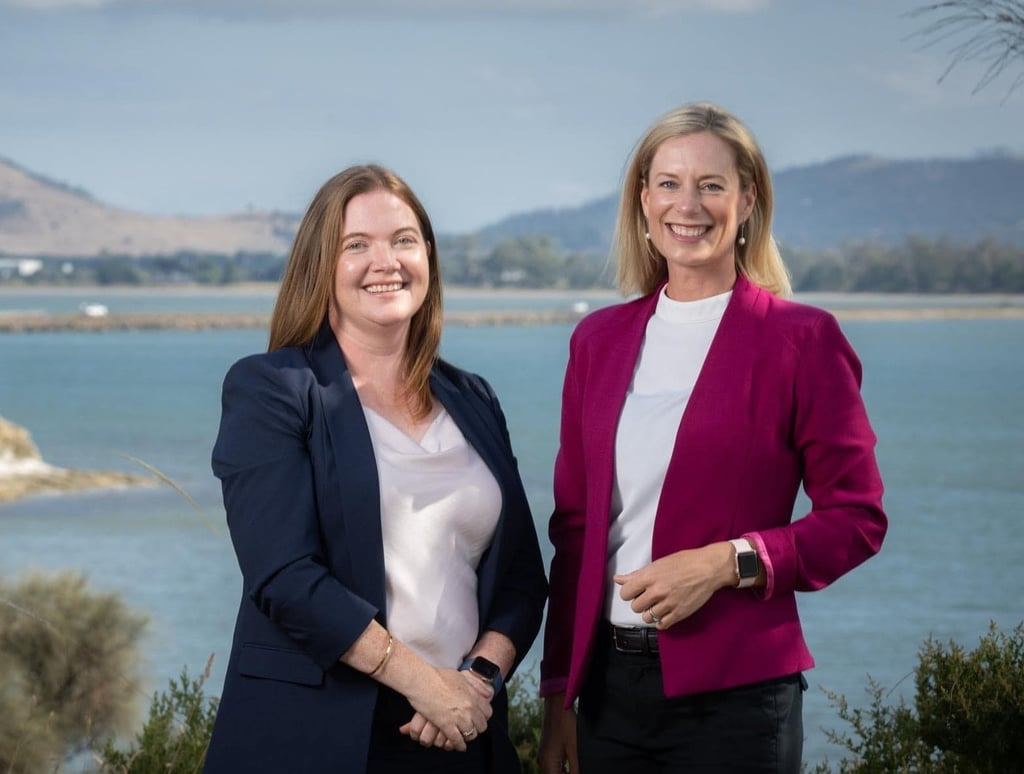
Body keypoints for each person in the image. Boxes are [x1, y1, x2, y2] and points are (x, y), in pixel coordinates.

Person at [538, 103, 887, 773]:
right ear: (643, 201)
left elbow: (858, 519)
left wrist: (729, 561)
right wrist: (560, 694)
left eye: (712, 184)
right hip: (608, 698)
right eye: (668, 183)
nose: (687, 204)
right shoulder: (597, 342)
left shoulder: (802, 341)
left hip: (737, 704)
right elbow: (577, 535)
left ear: (748, 199)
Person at [204, 164, 548, 774]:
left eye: (403, 240)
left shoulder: (474, 398)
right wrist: (423, 684)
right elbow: (284, 577)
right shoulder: (273, 390)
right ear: (322, 267)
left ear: (429, 259)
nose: (384, 261)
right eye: (355, 245)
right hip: (319, 738)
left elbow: (521, 577)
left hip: (461, 731)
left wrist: (477, 680)